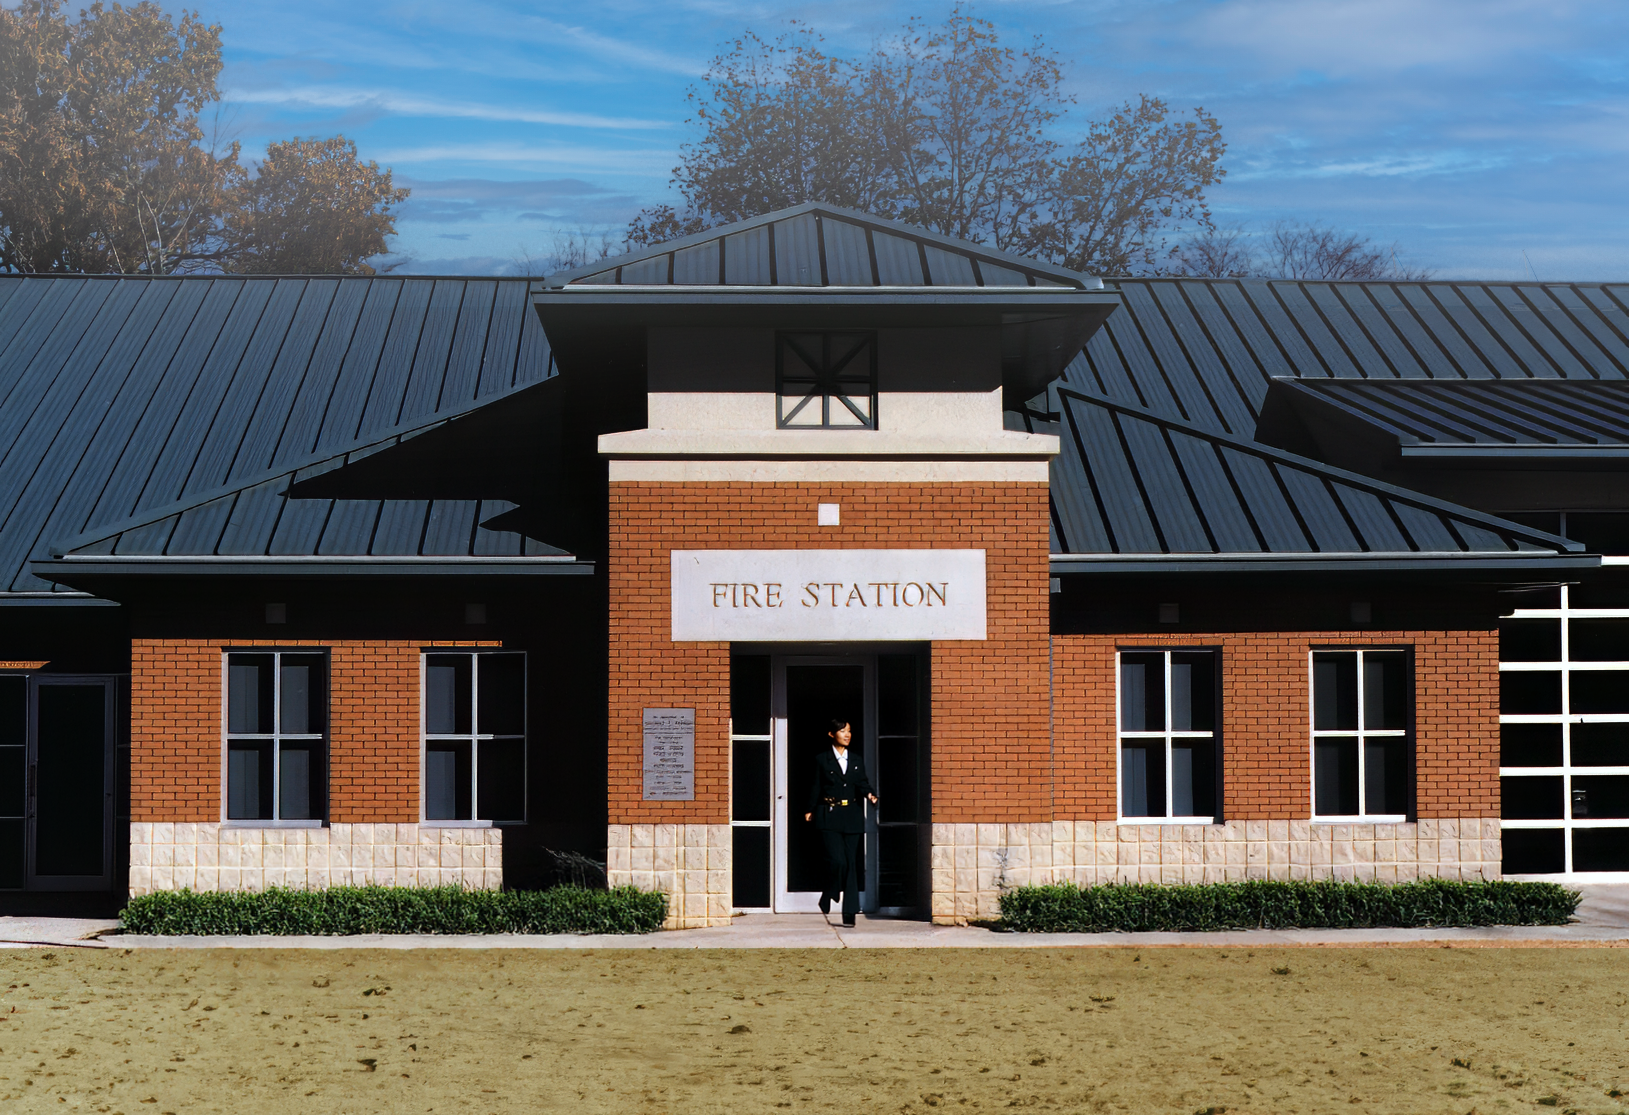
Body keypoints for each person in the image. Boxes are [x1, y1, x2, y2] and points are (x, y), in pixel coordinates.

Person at [803, 718, 878, 926]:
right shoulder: (821, 760)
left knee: (851, 865)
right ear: (831, 734)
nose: (847, 735)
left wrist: (870, 795)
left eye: (849, 731)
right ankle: (829, 891)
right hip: (829, 815)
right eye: (843, 731)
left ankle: (850, 913)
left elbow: (862, 783)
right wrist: (809, 809)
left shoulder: (856, 760)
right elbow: (815, 786)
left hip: (852, 816)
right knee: (838, 861)